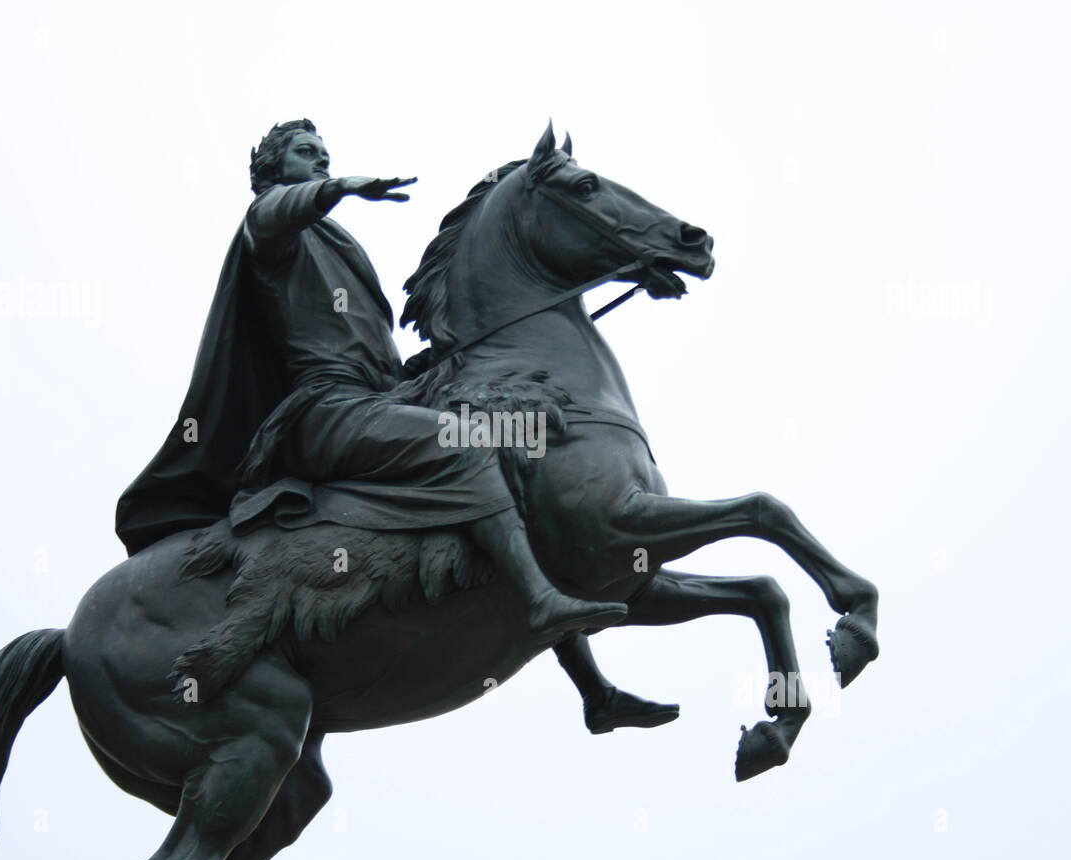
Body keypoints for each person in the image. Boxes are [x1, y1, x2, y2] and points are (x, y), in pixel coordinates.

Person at [115, 118, 678, 732]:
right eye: (307, 154)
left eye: (327, 155)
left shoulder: (337, 246)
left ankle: (593, 690)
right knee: (465, 446)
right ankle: (540, 601)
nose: (322, 162)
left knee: (527, 462)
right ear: (273, 170)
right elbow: (273, 217)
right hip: (325, 412)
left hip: (376, 399)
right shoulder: (273, 229)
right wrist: (342, 187)